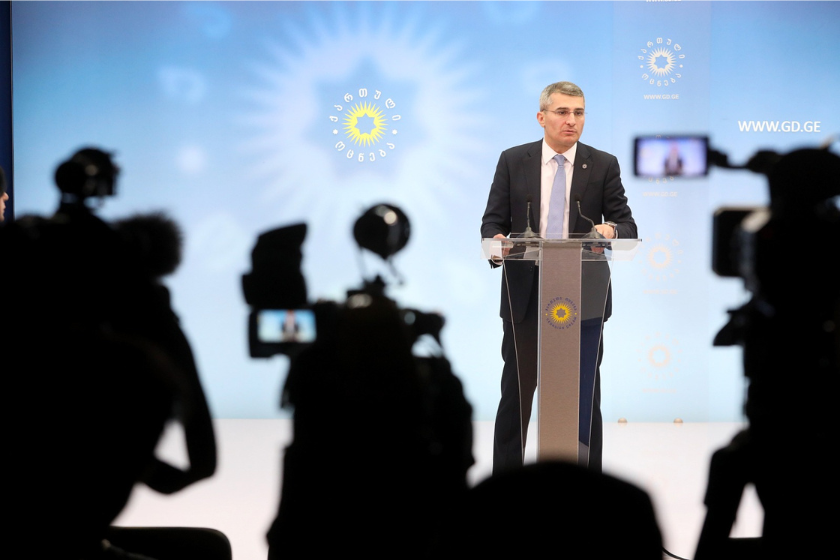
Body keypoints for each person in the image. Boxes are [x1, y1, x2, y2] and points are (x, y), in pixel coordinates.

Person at [481, 81, 637, 474]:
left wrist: (611, 230)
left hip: (583, 295)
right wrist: (496, 241)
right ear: (542, 117)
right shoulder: (513, 160)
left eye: (578, 113)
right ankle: (506, 481)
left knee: (585, 393)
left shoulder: (603, 164)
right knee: (517, 393)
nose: (571, 120)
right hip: (525, 294)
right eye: (562, 112)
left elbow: (627, 225)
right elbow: (492, 223)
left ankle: (587, 481)